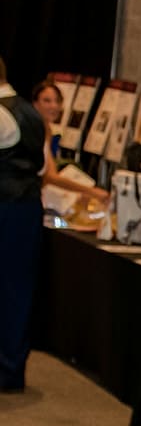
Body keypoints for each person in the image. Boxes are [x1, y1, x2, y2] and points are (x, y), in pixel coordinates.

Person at [0, 61, 47, 393]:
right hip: (26, 205)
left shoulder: (2, 112)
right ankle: (11, 367)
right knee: (17, 287)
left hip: (5, 205)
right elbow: (41, 167)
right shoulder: (30, 112)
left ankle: (8, 368)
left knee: (10, 289)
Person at [31, 77, 109, 211]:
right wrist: (92, 191)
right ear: (35, 104)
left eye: (57, 101)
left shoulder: (46, 129)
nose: (54, 106)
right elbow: (50, 176)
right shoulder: (37, 130)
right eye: (47, 101)